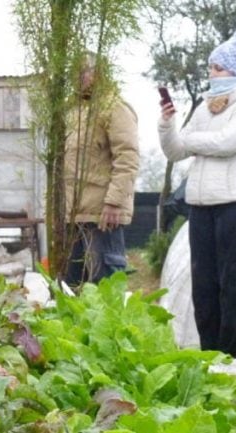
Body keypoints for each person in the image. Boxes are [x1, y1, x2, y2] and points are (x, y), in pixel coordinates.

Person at [158, 30, 236, 358]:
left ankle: (233, 361)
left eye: (218, 68)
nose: (212, 73)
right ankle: (210, 358)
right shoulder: (206, 108)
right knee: (204, 287)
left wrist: (192, 141)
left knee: (233, 287)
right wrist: (167, 124)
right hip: (201, 207)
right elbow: (176, 150)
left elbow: (227, 142)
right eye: (211, 67)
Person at [63, 53, 139, 286]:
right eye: (76, 73)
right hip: (73, 215)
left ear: (100, 74)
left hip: (102, 215)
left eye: (84, 72)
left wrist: (114, 202)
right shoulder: (72, 111)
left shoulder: (114, 108)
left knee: (105, 287)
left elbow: (127, 157)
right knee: (71, 287)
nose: (79, 78)